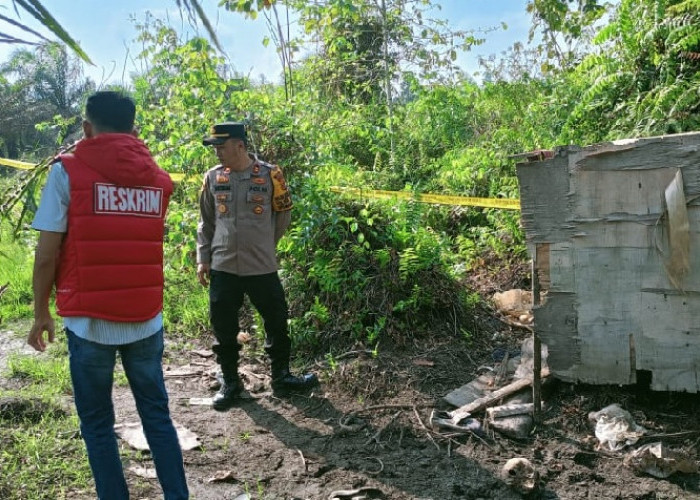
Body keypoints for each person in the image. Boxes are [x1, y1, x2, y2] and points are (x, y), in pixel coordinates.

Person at [27, 91, 189, 500]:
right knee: (157, 416)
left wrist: (40, 310)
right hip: (146, 318)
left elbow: (47, 255)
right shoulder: (160, 180)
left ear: (87, 128)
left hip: (89, 321)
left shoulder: (67, 172)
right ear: (134, 130)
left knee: (98, 423)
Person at [197, 121, 317, 411]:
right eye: (215, 147)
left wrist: (264, 244)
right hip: (224, 265)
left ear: (239, 145)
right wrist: (203, 257)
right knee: (223, 327)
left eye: (221, 147)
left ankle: (282, 377)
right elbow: (206, 220)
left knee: (276, 320)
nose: (217, 153)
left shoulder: (270, 174)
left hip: (261, 265)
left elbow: (283, 214)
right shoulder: (213, 177)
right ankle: (230, 382)